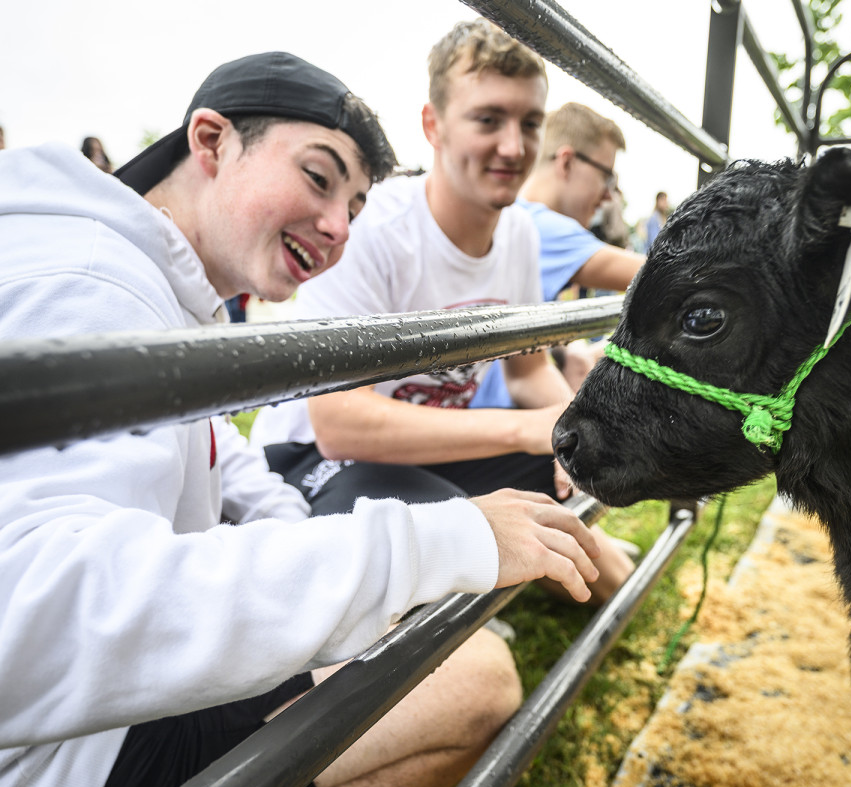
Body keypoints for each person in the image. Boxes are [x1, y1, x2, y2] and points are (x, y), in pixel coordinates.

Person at [0, 51, 600, 787]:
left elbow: (218, 448)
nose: (337, 227)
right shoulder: (91, 286)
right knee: (469, 677)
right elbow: (31, 622)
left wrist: (326, 570)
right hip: (61, 759)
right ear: (212, 141)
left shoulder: (164, 289)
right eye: (319, 178)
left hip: (91, 720)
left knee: (480, 601)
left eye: (354, 206)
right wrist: (429, 544)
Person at [251, 22, 634, 608]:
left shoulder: (521, 237)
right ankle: (452, 601)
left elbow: (528, 372)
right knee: (474, 526)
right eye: (488, 120)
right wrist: (527, 431)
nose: (513, 146)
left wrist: (568, 427)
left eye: (530, 123)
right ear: (432, 125)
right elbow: (336, 423)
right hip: (313, 460)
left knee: (590, 475)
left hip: (431, 450)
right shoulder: (371, 227)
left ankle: (503, 581)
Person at [470, 101, 644, 406]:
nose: (608, 196)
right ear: (566, 162)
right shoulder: (543, 227)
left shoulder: (516, 219)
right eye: (607, 177)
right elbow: (664, 273)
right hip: (498, 422)